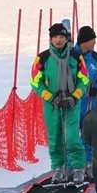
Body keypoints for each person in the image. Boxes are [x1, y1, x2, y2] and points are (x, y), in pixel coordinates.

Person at [30, 23, 90, 183]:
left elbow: (84, 79)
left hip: (72, 103)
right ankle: (58, 168)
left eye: (62, 37)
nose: (58, 40)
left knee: (71, 137)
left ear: (66, 39)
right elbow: (35, 82)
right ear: (51, 39)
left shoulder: (76, 57)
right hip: (52, 104)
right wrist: (50, 97)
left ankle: (78, 168)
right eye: (55, 37)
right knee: (55, 138)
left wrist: (75, 96)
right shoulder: (43, 58)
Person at [73, 25, 97, 178]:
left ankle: (89, 165)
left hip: (90, 103)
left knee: (89, 134)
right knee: (71, 137)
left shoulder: (95, 57)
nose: (95, 43)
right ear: (85, 41)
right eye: (92, 40)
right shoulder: (71, 56)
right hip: (74, 103)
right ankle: (74, 167)